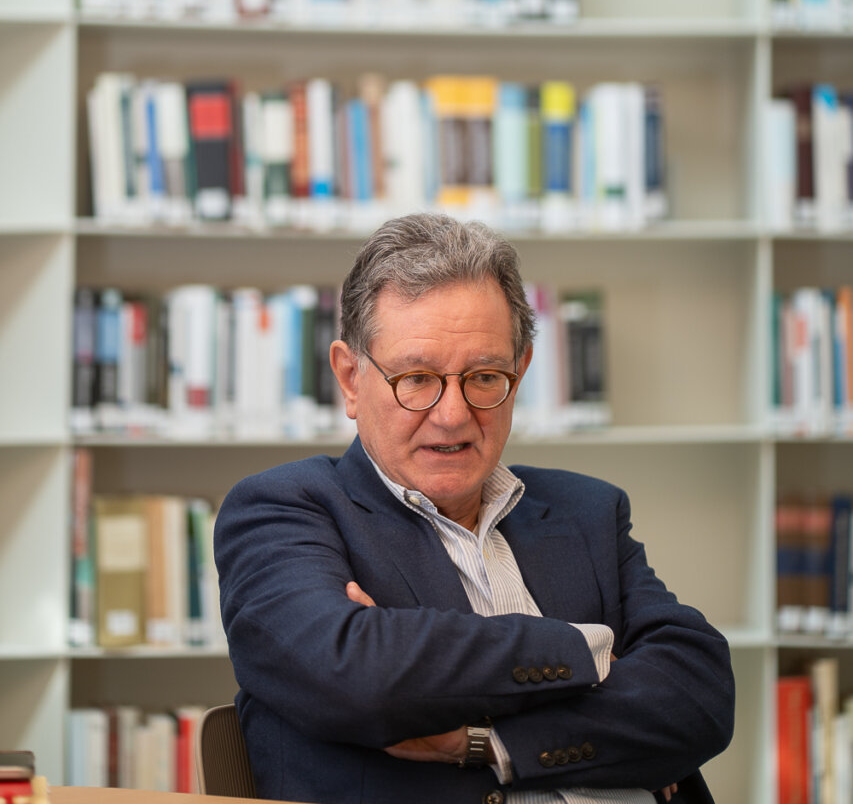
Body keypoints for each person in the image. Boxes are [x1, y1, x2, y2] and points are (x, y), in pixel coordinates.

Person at [215, 213, 735, 804]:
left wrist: (483, 740)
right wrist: (590, 654)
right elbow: (352, 675)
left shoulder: (588, 509)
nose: (453, 415)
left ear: (521, 371)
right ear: (351, 378)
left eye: (485, 377)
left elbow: (699, 694)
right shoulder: (283, 511)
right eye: (417, 378)